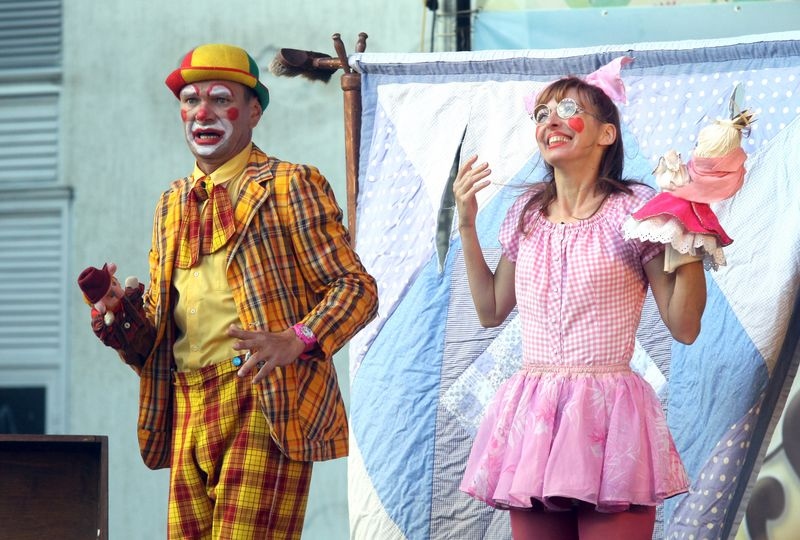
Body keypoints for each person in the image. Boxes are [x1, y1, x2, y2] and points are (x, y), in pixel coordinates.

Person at [82, 43, 378, 539]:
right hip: (186, 405)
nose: (203, 113)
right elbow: (156, 344)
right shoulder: (170, 203)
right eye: (191, 100)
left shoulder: (289, 184)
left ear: (254, 111)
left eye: (221, 99)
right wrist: (120, 314)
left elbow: (357, 288)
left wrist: (296, 338)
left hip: (261, 397)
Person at [454, 59, 706, 540]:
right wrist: (466, 223)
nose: (551, 120)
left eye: (569, 110)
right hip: (535, 419)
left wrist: (689, 236)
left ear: (607, 134)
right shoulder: (526, 214)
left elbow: (685, 326)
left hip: (610, 418)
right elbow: (490, 310)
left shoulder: (636, 211)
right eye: (542, 113)